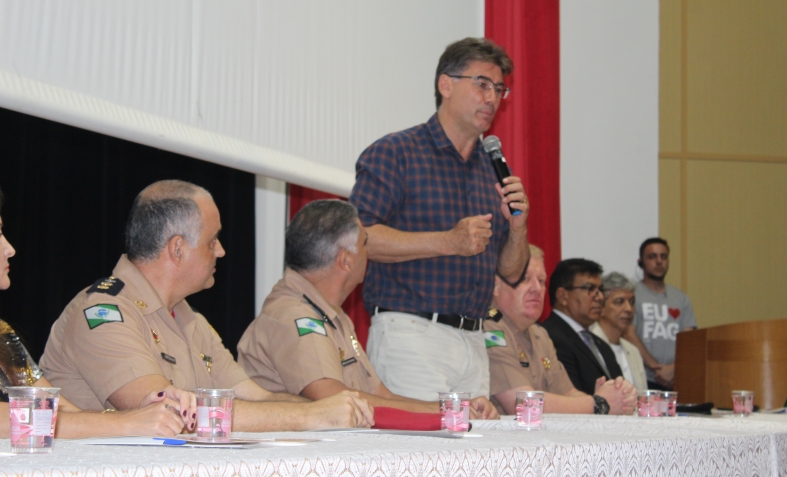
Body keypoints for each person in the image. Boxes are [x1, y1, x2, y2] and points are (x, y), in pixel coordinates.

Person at [40, 180, 373, 431]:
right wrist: (311, 416)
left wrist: (328, 407)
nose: (221, 251)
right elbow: (172, 416)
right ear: (178, 249)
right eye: (212, 241)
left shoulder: (190, 319)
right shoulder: (102, 313)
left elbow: (257, 397)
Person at [349, 37, 530, 401]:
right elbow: (358, 239)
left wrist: (517, 228)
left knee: (471, 442)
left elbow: (510, 272)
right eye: (482, 84)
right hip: (411, 333)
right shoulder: (397, 152)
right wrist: (448, 241)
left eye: (499, 89)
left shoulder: (493, 170)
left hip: (475, 340)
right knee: (421, 440)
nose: (492, 99)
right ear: (445, 84)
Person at [237, 200, 498, 419]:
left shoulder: (330, 313)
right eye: (365, 244)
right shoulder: (297, 316)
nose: (368, 253)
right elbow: (335, 401)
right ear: (346, 261)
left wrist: (452, 406)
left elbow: (381, 396)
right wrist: (450, 411)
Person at [0, 186, 195, 438]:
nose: (9, 248)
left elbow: (58, 408)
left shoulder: (2, 333)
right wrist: (127, 423)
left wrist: (143, 411)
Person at [485, 246, 636, 415]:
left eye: (541, 281)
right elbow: (522, 405)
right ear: (496, 285)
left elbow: (569, 393)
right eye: (525, 279)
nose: (537, 288)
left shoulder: (539, 334)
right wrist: (599, 403)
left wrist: (609, 397)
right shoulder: (489, 328)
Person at [540, 259, 625, 396]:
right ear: (563, 296)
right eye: (590, 289)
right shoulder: (548, 337)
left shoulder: (602, 345)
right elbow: (569, 397)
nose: (600, 297)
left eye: (601, 290)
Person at [624, 238, 697, 390]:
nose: (659, 261)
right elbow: (628, 334)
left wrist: (673, 369)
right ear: (641, 262)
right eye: (652, 257)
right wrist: (656, 367)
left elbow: (689, 340)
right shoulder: (632, 294)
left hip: (676, 378)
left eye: (663, 257)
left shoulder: (681, 298)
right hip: (642, 378)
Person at [590, 272, 648, 392]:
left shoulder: (633, 351)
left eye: (632, 302)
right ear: (601, 307)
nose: (629, 309)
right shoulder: (589, 345)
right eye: (619, 301)